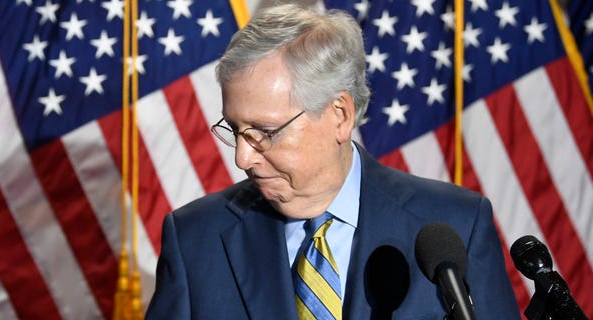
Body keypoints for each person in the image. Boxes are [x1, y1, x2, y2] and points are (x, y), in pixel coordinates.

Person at [146, 3, 520, 319]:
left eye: (264, 132)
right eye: (235, 130)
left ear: (339, 115)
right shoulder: (196, 239)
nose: (243, 157)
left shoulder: (457, 227)